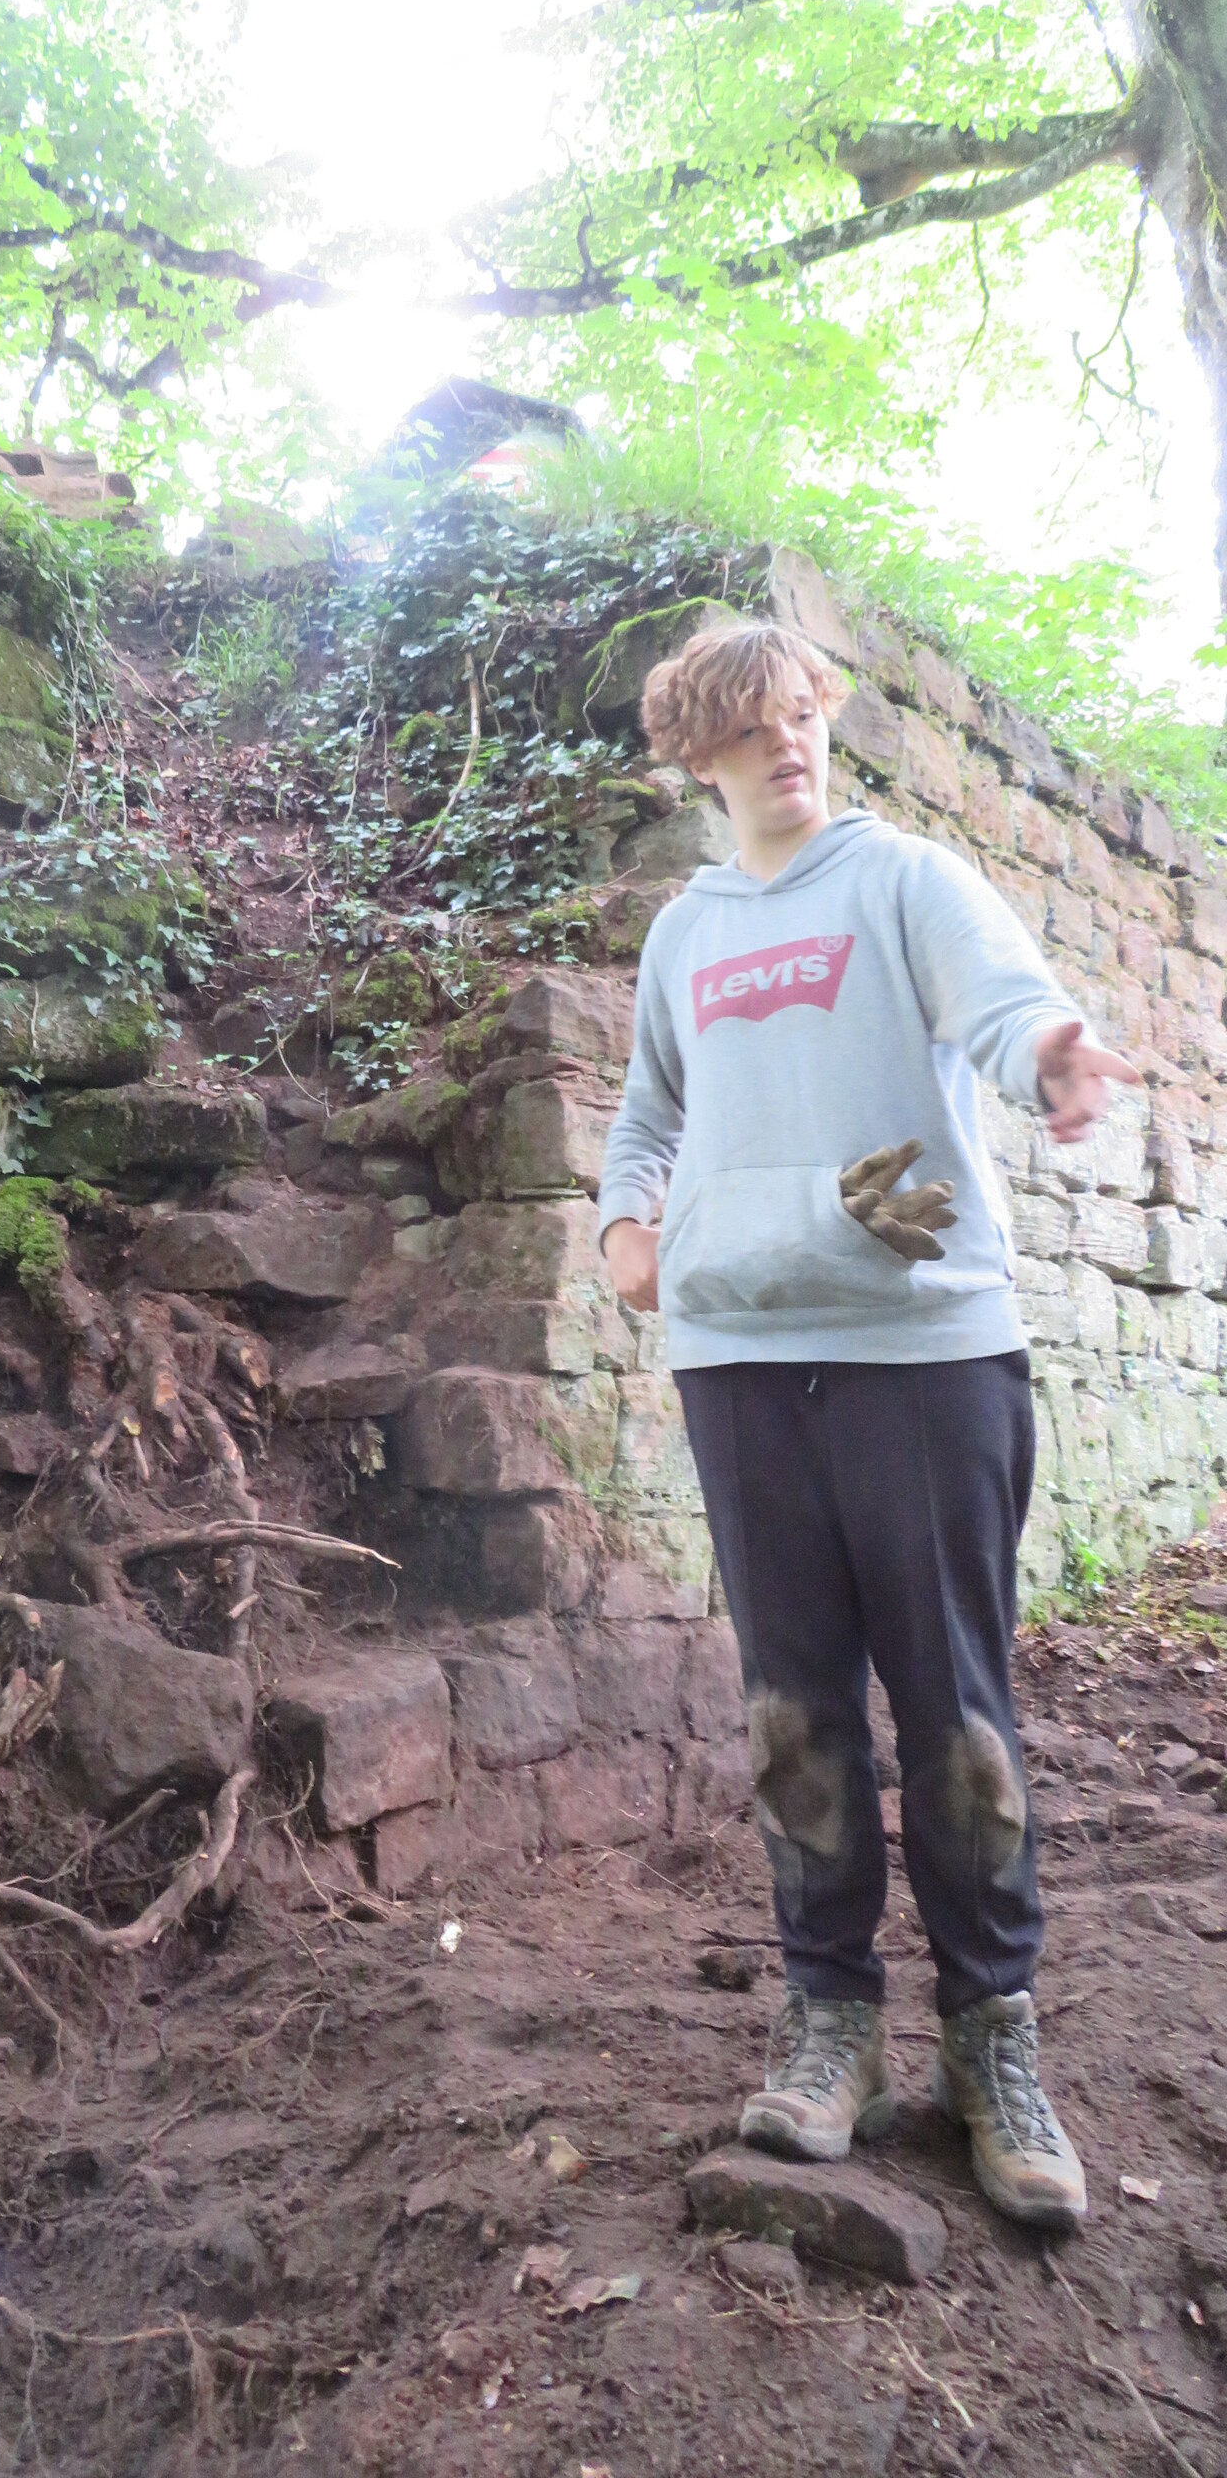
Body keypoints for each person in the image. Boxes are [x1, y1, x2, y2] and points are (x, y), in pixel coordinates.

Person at [595, 619, 1138, 2229]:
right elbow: (649, 1108)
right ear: (701, 756)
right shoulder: (684, 934)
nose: (790, 744)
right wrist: (625, 1223)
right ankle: (832, 2024)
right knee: (793, 1713)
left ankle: (993, 2038)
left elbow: (1003, 1002)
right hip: (739, 1360)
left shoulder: (904, 881)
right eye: (754, 726)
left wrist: (1050, 1053)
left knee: (957, 1712)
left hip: (925, 1351)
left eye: (805, 715)